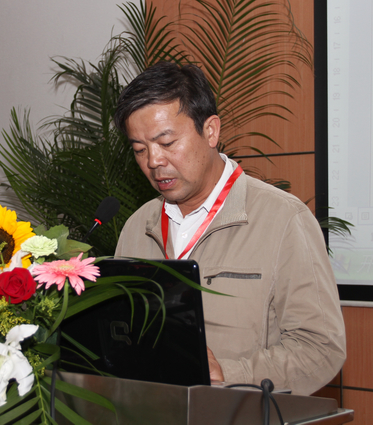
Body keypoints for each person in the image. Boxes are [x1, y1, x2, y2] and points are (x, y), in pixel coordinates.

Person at [112, 61, 346, 395]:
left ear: (211, 131)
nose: (153, 161)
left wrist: (230, 374)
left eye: (167, 143)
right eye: (139, 149)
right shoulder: (138, 227)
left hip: (242, 412)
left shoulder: (283, 219)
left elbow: (321, 350)